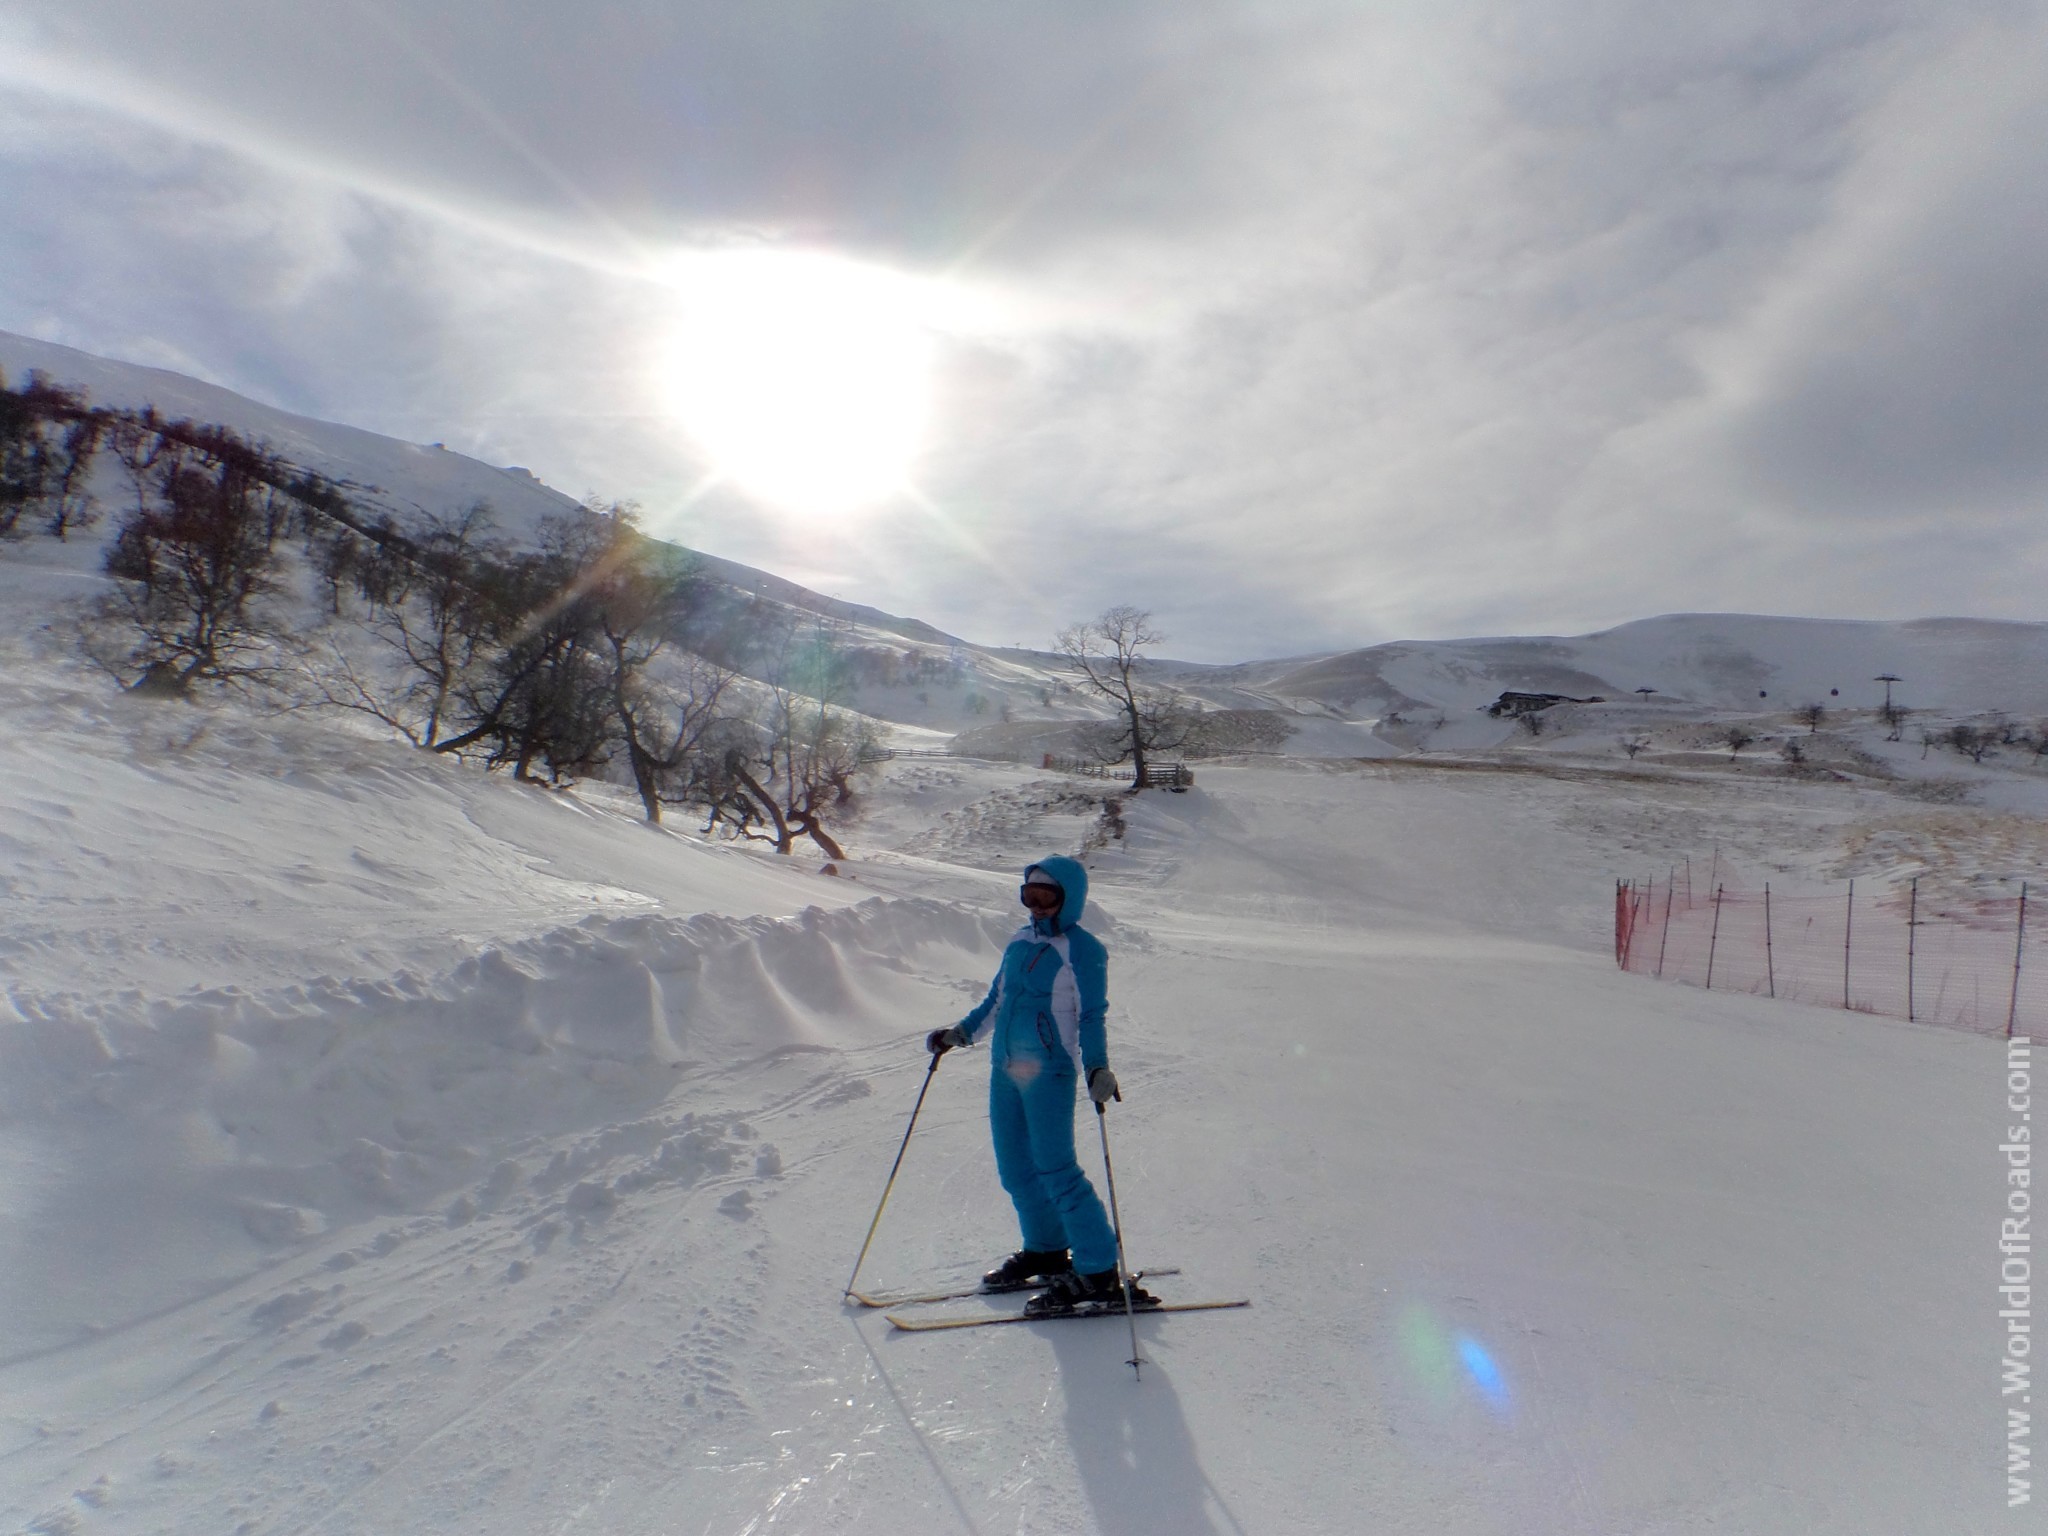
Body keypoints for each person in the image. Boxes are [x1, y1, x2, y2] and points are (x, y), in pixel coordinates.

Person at [927, 855, 1158, 1315]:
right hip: (1005, 1069)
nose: (1036, 907)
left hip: (1050, 1073)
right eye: (1029, 897)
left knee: (1057, 1170)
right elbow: (998, 999)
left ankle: (1096, 1270)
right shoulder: (1018, 942)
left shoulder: (1084, 950)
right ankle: (1046, 1249)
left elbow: (1092, 1016)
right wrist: (961, 1033)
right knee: (1015, 1169)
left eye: (1046, 898)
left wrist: (1097, 1067)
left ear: (1068, 900)